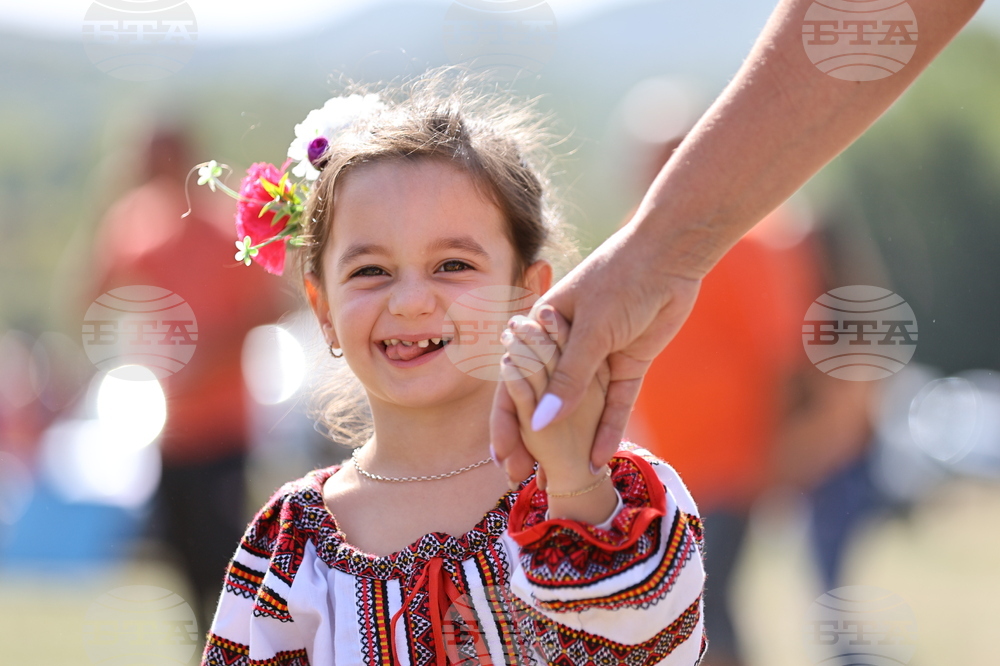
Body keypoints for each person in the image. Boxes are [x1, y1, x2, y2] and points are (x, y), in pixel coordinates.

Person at [200, 75, 707, 665]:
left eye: (452, 264)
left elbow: (651, 647)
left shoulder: (621, 495)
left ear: (527, 293)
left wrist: (573, 480)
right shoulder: (291, 544)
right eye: (370, 271)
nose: (411, 301)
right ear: (324, 311)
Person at [491, 0, 986, 486]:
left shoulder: (739, 242)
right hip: (675, 462)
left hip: (732, 469)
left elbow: (788, 355)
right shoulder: (633, 248)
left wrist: (804, 445)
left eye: (680, 156)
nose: (665, 175)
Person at [90, 126, 288, 632]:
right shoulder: (134, 225)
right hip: (169, 427)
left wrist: (208, 354)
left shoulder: (225, 231)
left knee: (225, 559)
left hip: (222, 425)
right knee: (180, 555)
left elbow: (270, 305)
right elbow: (92, 292)